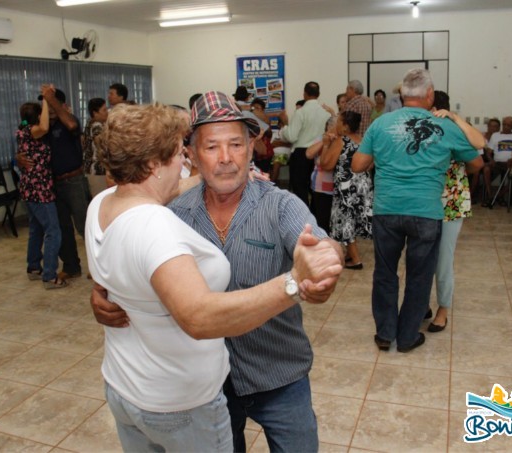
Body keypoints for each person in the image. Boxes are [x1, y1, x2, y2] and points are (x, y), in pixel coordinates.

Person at [91, 91, 343, 453]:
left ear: (252, 147)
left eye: (236, 144)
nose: (226, 159)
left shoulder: (280, 204)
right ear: (190, 155)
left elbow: (319, 242)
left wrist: (326, 262)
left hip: (279, 374)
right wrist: (103, 292)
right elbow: (125, 246)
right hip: (212, 387)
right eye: (211, 147)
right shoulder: (171, 213)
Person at [352, 69, 482, 353]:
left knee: (385, 273)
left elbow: (358, 165)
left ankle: (385, 333)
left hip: (387, 209)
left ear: (401, 95)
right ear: (430, 95)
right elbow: (476, 164)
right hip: (426, 212)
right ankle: (408, 336)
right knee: (420, 275)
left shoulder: (381, 124)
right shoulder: (446, 127)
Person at [428, 91, 485, 331]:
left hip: (450, 203)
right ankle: (422, 304)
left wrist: (455, 118)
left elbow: (479, 154)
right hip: (424, 203)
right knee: (421, 258)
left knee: (443, 258)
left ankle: (443, 308)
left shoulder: (455, 129)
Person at [18, 85, 88, 280]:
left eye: (50, 104)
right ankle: (71, 266)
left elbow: (73, 126)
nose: (46, 109)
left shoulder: (69, 122)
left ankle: (100, 269)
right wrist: (18, 157)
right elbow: (27, 143)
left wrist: (53, 101)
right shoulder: (43, 126)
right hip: (51, 185)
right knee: (63, 228)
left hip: (73, 181)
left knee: (84, 226)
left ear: (60, 105)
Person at [16, 98, 66, 289]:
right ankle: (49, 275)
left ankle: (34, 267)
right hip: (39, 189)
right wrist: (46, 100)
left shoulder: (22, 131)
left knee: (36, 228)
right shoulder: (31, 131)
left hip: (30, 187)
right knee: (53, 231)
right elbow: (44, 126)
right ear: (37, 116)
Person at [321, 110, 373, 270]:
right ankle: (350, 254)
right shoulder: (363, 141)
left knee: (345, 220)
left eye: (338, 122)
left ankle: (355, 259)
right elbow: (371, 164)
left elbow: (326, 164)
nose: (336, 124)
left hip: (346, 188)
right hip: (363, 185)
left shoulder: (341, 141)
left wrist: (325, 144)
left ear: (344, 125)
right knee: (354, 219)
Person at [278, 82, 331, 206]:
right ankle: (316, 218)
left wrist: (285, 126)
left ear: (305, 94)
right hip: (319, 152)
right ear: (318, 94)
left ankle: (302, 219)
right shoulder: (326, 114)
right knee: (316, 189)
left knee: (300, 189)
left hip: (301, 154)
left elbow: (291, 136)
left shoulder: (300, 112)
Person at [82, 97, 109, 197]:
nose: (107, 112)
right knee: (101, 199)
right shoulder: (97, 125)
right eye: (104, 110)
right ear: (95, 113)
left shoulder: (91, 122)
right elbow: (100, 142)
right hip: (97, 170)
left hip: (93, 170)